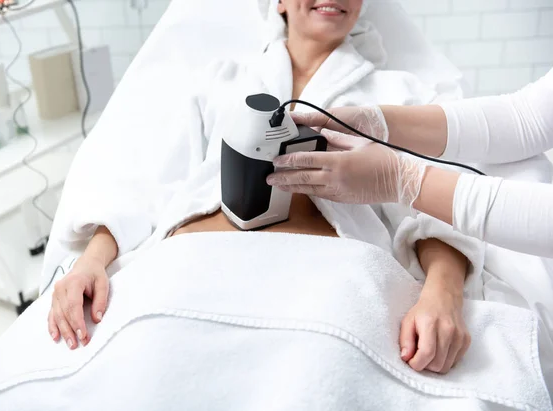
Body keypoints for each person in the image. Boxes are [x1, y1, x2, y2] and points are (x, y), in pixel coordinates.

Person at [47, 0, 481, 375]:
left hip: (324, 282)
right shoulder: (221, 79)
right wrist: (91, 261)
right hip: (190, 266)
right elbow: (151, 181)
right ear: (277, 2)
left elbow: (435, 201)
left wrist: (443, 293)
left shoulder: (399, 94)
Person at [266, 68, 553, 258]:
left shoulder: (401, 83)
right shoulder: (230, 78)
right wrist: (379, 123)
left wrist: (401, 181)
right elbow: (528, 117)